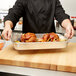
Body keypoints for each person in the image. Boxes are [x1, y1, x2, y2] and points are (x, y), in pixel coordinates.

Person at [2, 0, 74, 40]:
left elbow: (61, 15)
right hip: (28, 43)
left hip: (50, 42)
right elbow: (13, 15)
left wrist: (68, 25)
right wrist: (7, 26)